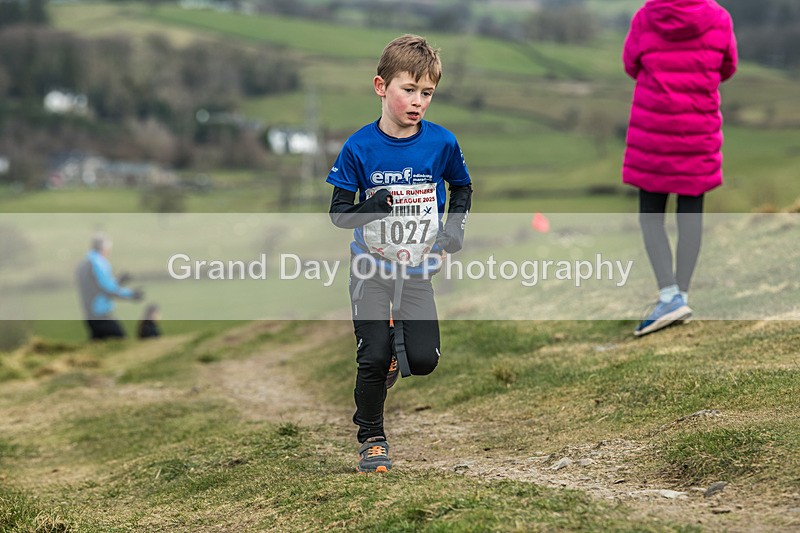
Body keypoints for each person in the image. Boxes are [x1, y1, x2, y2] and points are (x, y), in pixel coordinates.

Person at [327, 34, 472, 473]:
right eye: (408, 90)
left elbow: (462, 188)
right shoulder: (359, 147)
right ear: (380, 86)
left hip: (417, 269)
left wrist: (450, 237)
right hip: (370, 267)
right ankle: (372, 438)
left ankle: (394, 354)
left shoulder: (441, 143)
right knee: (370, 356)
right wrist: (373, 206)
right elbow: (338, 215)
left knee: (423, 360)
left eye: (426, 92)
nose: (418, 101)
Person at [622, 0, 737, 337]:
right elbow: (727, 68)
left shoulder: (646, 16)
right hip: (697, 130)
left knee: (651, 216)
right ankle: (681, 295)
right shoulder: (718, 18)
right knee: (691, 213)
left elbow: (631, 64)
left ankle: (668, 294)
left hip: (652, 133)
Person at [76, 234, 143, 340]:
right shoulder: (97, 263)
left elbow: (98, 287)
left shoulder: (85, 262)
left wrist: (119, 281)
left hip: (89, 313)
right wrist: (131, 294)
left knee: (98, 343)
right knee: (121, 340)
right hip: (100, 313)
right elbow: (108, 290)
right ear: (104, 248)